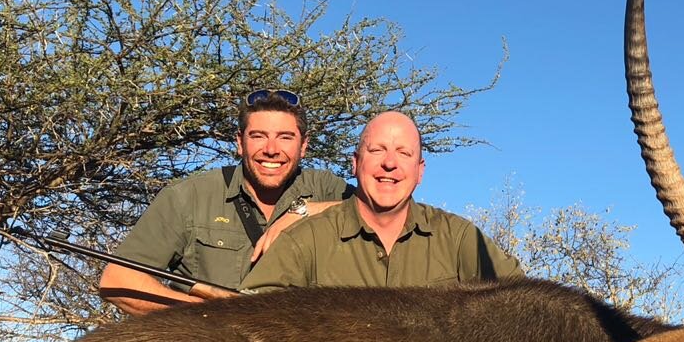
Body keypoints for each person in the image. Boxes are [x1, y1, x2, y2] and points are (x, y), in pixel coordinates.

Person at [100, 90, 353, 315]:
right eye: (258, 136)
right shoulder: (188, 196)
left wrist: (304, 210)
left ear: (304, 146)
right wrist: (209, 314)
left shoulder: (326, 189)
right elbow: (118, 280)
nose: (272, 149)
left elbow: (385, 208)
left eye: (285, 137)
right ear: (239, 143)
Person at [241, 110, 522, 290]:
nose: (390, 163)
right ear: (355, 163)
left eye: (404, 153)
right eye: (377, 150)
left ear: (420, 171)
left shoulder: (458, 238)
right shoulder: (305, 240)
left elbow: (526, 303)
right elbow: (251, 320)